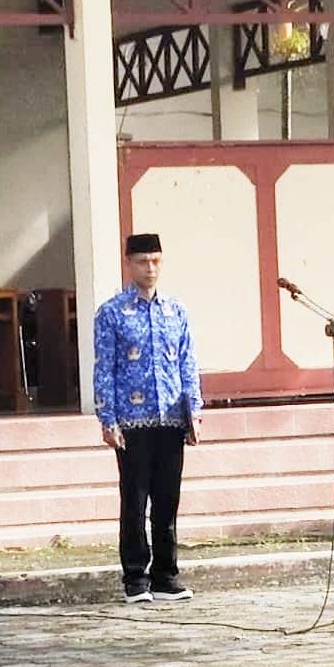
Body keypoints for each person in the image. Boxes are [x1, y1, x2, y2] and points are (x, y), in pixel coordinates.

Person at [92, 234, 203, 604]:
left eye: (155, 261)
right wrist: (108, 418)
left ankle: (166, 576)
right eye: (142, 262)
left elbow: (187, 363)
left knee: (167, 501)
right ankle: (135, 578)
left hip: (171, 418)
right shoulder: (111, 313)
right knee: (135, 501)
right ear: (129, 264)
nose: (150, 269)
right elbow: (104, 368)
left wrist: (194, 411)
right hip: (132, 421)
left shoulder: (176, 311)